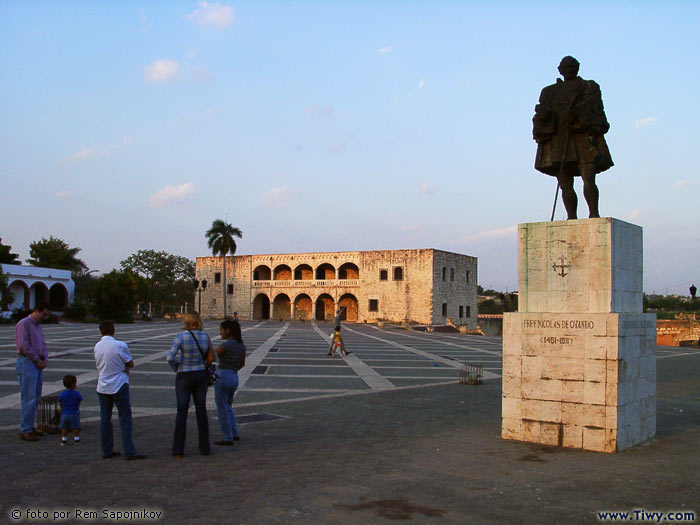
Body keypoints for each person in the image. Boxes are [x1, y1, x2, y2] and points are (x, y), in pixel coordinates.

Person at [533, 56, 613, 220]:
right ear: (560, 70)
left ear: (577, 68)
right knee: (565, 184)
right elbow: (541, 114)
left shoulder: (588, 87)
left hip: (582, 138)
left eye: (572, 67)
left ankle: (594, 214)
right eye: (565, 67)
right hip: (560, 141)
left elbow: (597, 111)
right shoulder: (549, 92)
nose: (569, 70)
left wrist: (579, 117)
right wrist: (550, 119)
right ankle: (571, 216)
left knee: (588, 178)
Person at [94, 320, 145, 460]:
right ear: (113, 330)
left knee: (105, 418)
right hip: (119, 384)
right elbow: (130, 363)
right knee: (125, 418)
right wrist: (124, 367)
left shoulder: (97, 346)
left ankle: (106, 450)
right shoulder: (119, 345)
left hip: (103, 385)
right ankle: (129, 450)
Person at [167, 311, 214, 457]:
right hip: (200, 376)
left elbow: (169, 357)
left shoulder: (181, 336)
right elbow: (211, 358)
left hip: (184, 376)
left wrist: (178, 366)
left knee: (182, 412)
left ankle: (178, 450)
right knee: (201, 411)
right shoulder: (205, 337)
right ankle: (205, 448)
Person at [15, 302, 51, 442]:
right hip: (27, 362)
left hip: (37, 363)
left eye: (47, 315)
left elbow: (42, 343)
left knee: (36, 397)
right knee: (28, 397)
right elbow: (24, 345)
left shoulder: (38, 325)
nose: (45, 317)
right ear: (36, 310)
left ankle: (29, 426)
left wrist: (45, 358)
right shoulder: (24, 324)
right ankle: (25, 429)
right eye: (43, 314)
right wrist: (37, 359)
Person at [213, 319, 246, 446]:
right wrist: (232, 369)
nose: (220, 333)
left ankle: (227, 437)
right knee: (228, 406)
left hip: (223, 376)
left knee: (222, 408)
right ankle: (235, 432)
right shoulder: (241, 345)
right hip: (234, 376)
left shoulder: (225, 345)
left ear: (228, 331)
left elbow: (212, 356)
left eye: (222, 330)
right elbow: (242, 364)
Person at [58, 374, 83, 445]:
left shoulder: (63, 394)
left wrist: (62, 408)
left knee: (64, 427)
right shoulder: (76, 393)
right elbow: (79, 401)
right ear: (73, 384)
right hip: (74, 413)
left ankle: (64, 439)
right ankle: (76, 439)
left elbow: (60, 402)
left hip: (64, 413)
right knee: (75, 427)